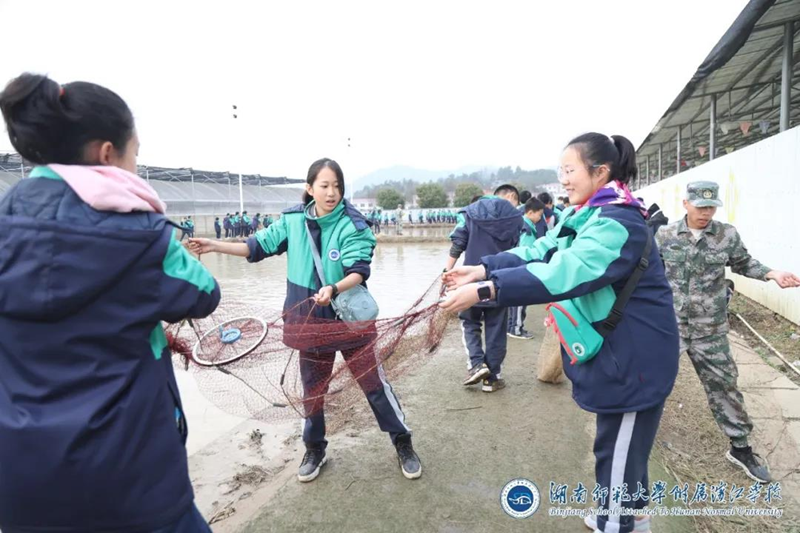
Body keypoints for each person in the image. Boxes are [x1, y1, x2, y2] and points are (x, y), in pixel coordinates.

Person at [0, 73, 220, 532]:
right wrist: (150, 223)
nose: (136, 168)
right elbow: (203, 294)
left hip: (23, 482)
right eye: (134, 154)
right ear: (107, 154)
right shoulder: (139, 237)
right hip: (131, 478)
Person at [441, 133, 679, 533]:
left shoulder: (617, 223)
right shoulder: (585, 214)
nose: (564, 179)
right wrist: (482, 269)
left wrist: (485, 291)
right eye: (561, 171)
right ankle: (634, 517)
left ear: (600, 172)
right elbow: (542, 251)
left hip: (637, 357)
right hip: (618, 352)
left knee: (617, 452)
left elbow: (563, 272)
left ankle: (617, 521)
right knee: (622, 449)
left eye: (570, 170)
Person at [188, 158, 421, 483]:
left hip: (349, 324)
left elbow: (359, 270)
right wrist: (215, 246)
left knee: (374, 387)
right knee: (312, 392)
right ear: (309, 189)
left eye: (336, 186)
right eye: (324, 186)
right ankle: (315, 449)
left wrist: (334, 287)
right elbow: (257, 246)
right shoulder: (292, 221)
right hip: (308, 324)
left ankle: (402, 442)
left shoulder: (353, 224)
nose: (331, 193)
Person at [656, 181, 800, 483]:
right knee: (652, 380)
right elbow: (649, 276)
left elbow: (743, 263)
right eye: (700, 206)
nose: (706, 213)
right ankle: (640, 436)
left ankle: (740, 448)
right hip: (672, 326)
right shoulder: (665, 235)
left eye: (711, 207)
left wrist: (772, 273)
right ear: (685, 204)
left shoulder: (726, 235)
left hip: (711, 329)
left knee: (724, 385)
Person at [445, 184, 523, 393]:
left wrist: (447, 270)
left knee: (469, 323)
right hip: (499, 282)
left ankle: (477, 365)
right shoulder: (516, 218)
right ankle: (493, 378)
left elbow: (458, 243)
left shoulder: (470, 213)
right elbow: (521, 251)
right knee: (496, 329)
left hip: (468, 282)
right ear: (510, 197)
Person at [507, 197, 544, 340]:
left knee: (513, 301)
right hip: (521, 268)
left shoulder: (522, 224)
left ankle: (511, 326)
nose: (539, 218)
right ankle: (516, 329)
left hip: (513, 267)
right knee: (520, 300)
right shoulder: (527, 229)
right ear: (530, 212)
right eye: (539, 215)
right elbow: (525, 252)